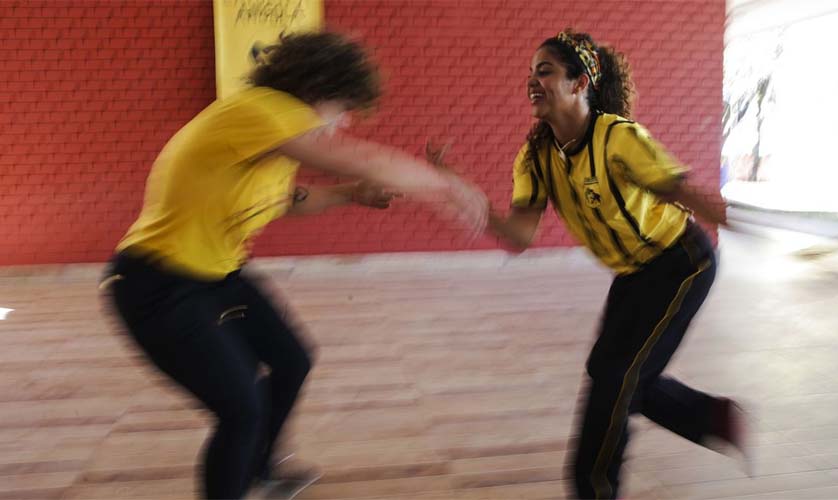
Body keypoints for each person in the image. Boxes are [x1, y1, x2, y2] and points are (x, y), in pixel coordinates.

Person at [101, 31, 487, 500]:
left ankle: (260, 466)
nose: (344, 122)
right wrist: (446, 186)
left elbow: (288, 199)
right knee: (241, 408)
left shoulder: (267, 137)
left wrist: (349, 194)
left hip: (216, 275)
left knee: (291, 360)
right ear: (316, 89)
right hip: (155, 283)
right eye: (342, 108)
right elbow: (359, 157)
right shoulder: (262, 109)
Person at [430, 29, 746, 499]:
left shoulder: (617, 138)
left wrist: (743, 219)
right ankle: (713, 418)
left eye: (546, 71)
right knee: (611, 372)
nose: (533, 82)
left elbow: (680, 190)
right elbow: (520, 236)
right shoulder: (536, 156)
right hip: (633, 273)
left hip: (682, 263)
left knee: (617, 382)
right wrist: (467, 197)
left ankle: (593, 489)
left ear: (580, 84)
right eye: (531, 73)